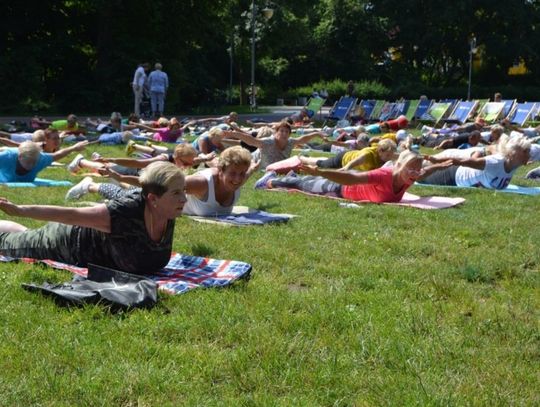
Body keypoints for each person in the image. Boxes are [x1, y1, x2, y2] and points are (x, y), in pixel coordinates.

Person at [0, 162, 186, 275]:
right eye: (177, 193)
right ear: (153, 199)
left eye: (183, 191)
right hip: (63, 243)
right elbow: (69, 215)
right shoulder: (123, 213)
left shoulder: (167, 209)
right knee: (7, 245)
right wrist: (19, 210)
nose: (184, 199)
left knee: (26, 234)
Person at [66, 147, 259, 217]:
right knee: (129, 199)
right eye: (233, 174)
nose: (238, 179)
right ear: (220, 170)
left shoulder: (240, 178)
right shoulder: (200, 183)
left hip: (166, 191)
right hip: (159, 197)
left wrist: (253, 167)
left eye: (241, 175)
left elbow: (248, 171)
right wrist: (119, 177)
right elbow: (154, 184)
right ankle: (90, 185)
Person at [254, 150, 450, 203]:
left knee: (306, 181)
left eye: (417, 171)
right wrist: (321, 172)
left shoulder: (410, 177)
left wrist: (440, 165)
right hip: (342, 186)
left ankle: (289, 177)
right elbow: (351, 178)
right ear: (398, 166)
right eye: (411, 169)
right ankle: (269, 180)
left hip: (347, 183)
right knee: (303, 183)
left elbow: (425, 171)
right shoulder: (383, 175)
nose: (415, 174)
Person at [419, 134, 531, 189]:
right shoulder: (495, 162)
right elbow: (461, 161)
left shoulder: (515, 163)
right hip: (453, 176)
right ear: (512, 154)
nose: (529, 155)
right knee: (420, 177)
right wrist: (435, 160)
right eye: (525, 151)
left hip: (458, 177)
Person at [224, 121, 329, 169]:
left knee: (302, 159)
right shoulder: (268, 142)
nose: (284, 134)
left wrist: (317, 133)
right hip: (252, 161)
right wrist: (233, 134)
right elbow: (252, 141)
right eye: (281, 131)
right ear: (276, 133)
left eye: (287, 132)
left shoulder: (290, 142)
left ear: (289, 134)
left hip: (277, 167)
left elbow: (302, 139)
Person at [0, 140, 87, 183]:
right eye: (28, 161)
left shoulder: (41, 159)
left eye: (34, 162)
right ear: (20, 157)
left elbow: (57, 154)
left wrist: (74, 148)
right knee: (6, 151)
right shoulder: (6, 158)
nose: (31, 165)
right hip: (10, 153)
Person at [298, 139, 397, 171]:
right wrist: (345, 168)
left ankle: (309, 157)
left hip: (348, 156)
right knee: (323, 164)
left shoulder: (386, 154)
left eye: (390, 155)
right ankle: (303, 158)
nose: (390, 157)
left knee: (327, 159)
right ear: (380, 151)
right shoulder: (368, 154)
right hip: (343, 159)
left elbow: (400, 156)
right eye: (388, 155)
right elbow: (356, 161)